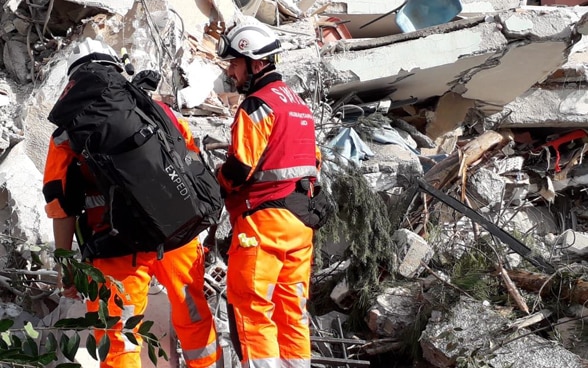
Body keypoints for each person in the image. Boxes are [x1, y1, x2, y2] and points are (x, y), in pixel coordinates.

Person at [42, 38, 222, 368]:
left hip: (115, 245)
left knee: (118, 336)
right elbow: (191, 160)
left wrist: (66, 267)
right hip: (176, 236)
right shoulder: (155, 108)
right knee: (194, 317)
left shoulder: (66, 135)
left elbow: (61, 204)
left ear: (73, 82)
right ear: (116, 70)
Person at [215, 16, 320, 368]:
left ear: (255, 62)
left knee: (252, 307)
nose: (231, 71)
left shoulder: (258, 105)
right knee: (293, 310)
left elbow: (239, 168)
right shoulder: (299, 107)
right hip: (301, 222)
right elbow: (311, 165)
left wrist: (213, 182)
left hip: (263, 223)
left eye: (234, 63)